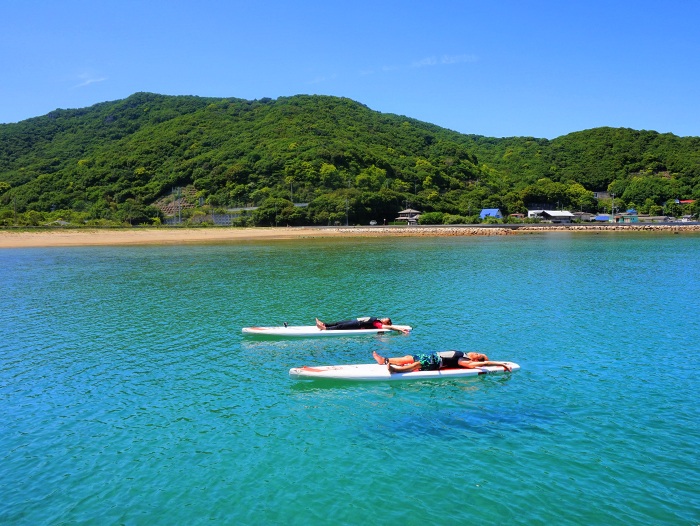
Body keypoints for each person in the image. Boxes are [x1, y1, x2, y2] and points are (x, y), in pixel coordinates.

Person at [372, 350, 512, 373]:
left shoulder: (466, 362)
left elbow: (485, 364)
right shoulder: (463, 354)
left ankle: (394, 370)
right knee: (407, 358)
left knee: (416, 365)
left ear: (476, 359)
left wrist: (501, 364)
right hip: (431, 355)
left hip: (435, 363)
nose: (475, 353)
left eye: (477, 355)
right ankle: (383, 360)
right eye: (477, 352)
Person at [315, 316, 409, 334]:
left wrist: (401, 329)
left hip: (357, 325)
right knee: (339, 322)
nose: (384, 318)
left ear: (385, 323)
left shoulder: (379, 324)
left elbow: (391, 327)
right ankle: (324, 323)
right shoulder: (378, 320)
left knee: (341, 327)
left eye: (386, 319)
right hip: (356, 321)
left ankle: (324, 328)